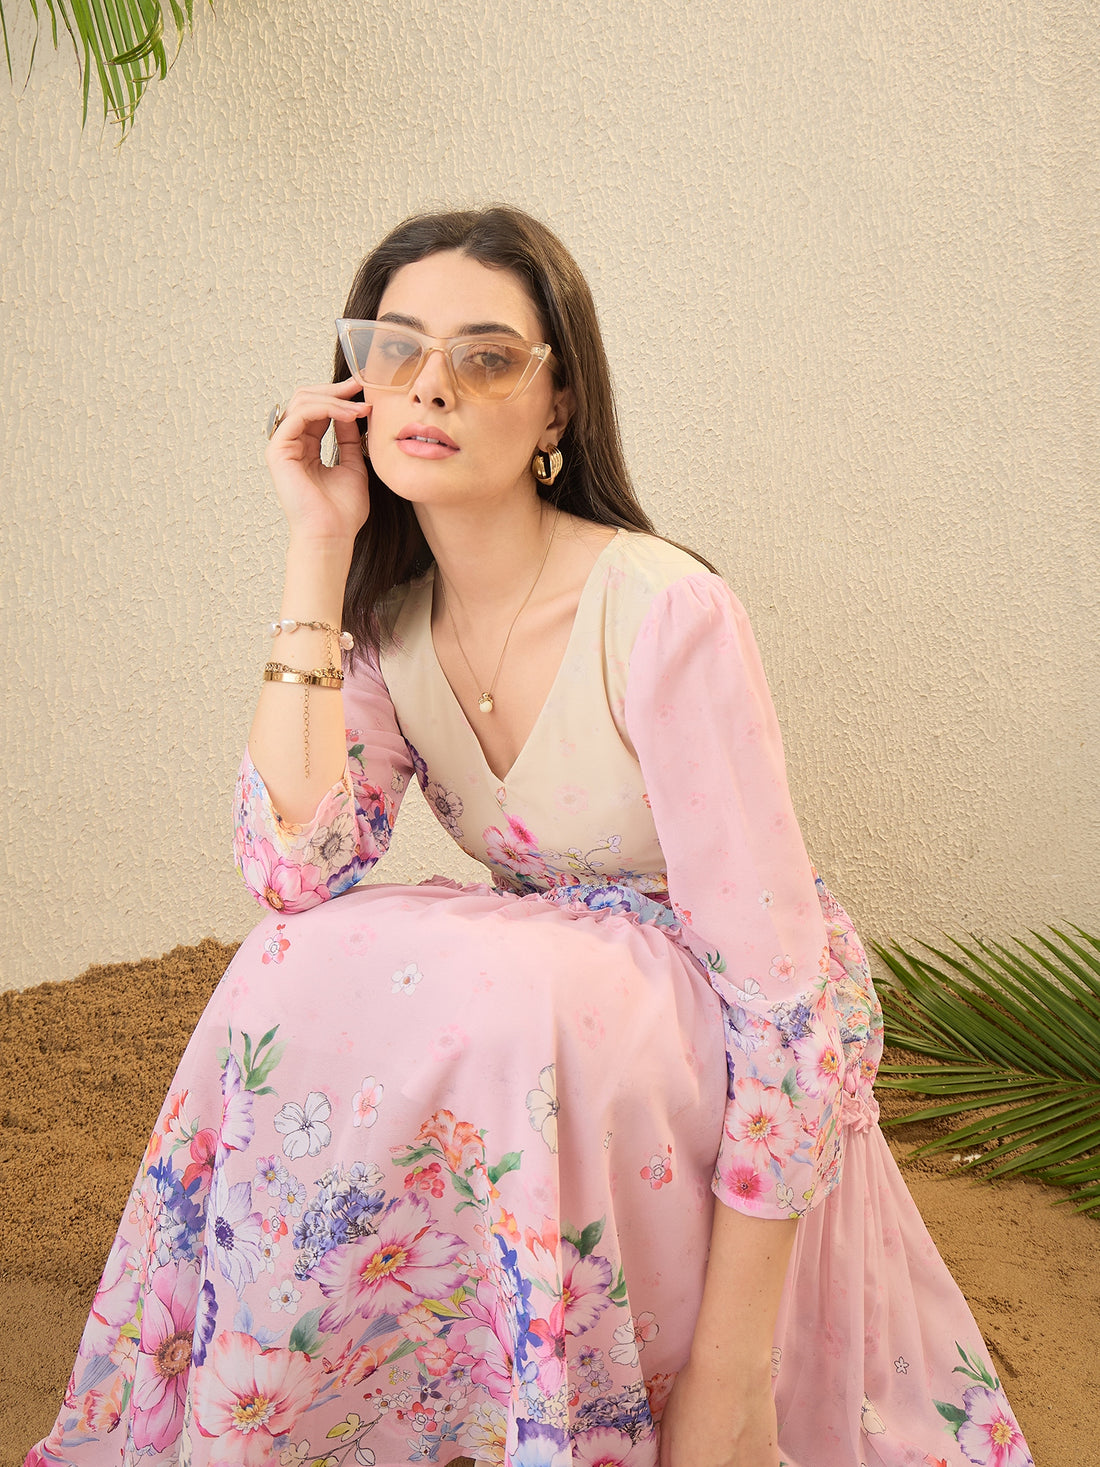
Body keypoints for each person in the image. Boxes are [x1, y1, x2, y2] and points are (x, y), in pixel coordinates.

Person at [27, 207, 1032, 1467]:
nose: (431, 384)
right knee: (289, 965)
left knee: (517, 990)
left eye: (487, 356)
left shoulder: (663, 610)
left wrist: (730, 1382)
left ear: (557, 405)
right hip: (559, 995)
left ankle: (597, 1397)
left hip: (700, 1009)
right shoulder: (391, 628)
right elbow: (292, 870)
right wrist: (316, 547)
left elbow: (779, 996)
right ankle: (342, 1396)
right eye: (395, 348)